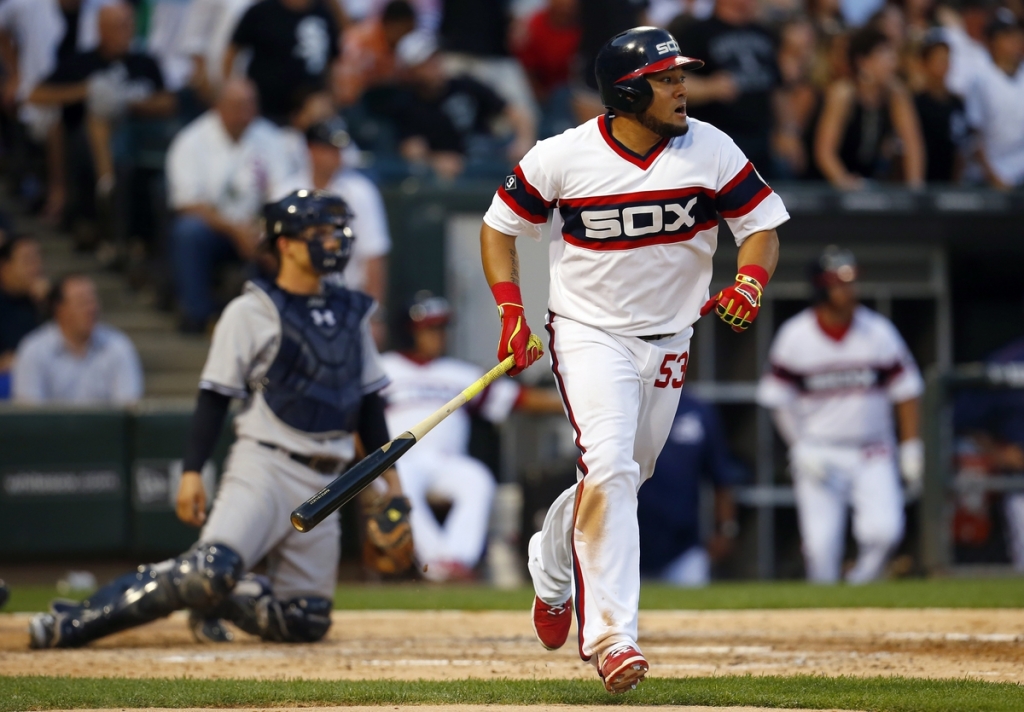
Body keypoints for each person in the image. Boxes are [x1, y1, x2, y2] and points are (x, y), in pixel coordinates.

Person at [479, 27, 786, 693]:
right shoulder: (563, 155)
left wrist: (751, 280)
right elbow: (499, 225)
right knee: (611, 465)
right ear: (625, 91)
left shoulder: (710, 146)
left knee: (620, 478)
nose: (681, 88)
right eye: (666, 77)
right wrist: (511, 312)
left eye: (680, 76)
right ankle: (613, 636)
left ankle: (550, 559)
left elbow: (759, 225)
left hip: (671, 336)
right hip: (588, 333)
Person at [28, 189, 412, 649]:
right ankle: (77, 621)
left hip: (327, 483)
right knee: (210, 568)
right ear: (285, 244)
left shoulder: (353, 311)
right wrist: (192, 471)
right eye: (319, 232)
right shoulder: (252, 310)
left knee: (306, 621)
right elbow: (214, 396)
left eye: (336, 231)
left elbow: (368, 403)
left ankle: (214, 600)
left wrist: (392, 485)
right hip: (266, 465)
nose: (333, 242)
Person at [757, 247, 924, 584]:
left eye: (851, 283)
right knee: (820, 548)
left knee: (885, 532)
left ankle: (860, 586)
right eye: (839, 284)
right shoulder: (796, 335)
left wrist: (910, 447)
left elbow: (906, 390)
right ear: (821, 288)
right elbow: (776, 398)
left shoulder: (878, 331)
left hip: (872, 449)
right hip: (820, 450)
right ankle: (826, 620)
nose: (849, 291)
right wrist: (799, 445)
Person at [379, 291, 562, 581]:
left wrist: (575, 403)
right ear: (408, 331)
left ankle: (456, 563)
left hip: (447, 463)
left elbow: (518, 399)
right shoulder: (384, 367)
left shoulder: (459, 372)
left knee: (478, 479)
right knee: (402, 484)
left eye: (441, 328)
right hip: (399, 462)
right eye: (429, 328)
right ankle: (438, 566)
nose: (437, 335)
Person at [166, 78, 291, 333]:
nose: (245, 112)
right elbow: (187, 203)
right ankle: (197, 315)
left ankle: (280, 317)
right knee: (188, 231)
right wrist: (235, 230)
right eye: (237, 105)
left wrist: (263, 230)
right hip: (214, 228)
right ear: (218, 106)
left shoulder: (271, 138)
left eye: (250, 104)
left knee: (289, 233)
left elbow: (283, 193)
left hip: (259, 227)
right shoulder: (191, 140)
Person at [384, 30, 535, 180]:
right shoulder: (407, 105)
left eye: (435, 57)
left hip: (489, 155)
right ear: (410, 71)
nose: (434, 64)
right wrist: (434, 160)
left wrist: (523, 140)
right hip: (455, 174)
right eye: (425, 63)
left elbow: (515, 112)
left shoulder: (464, 85)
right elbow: (411, 150)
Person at [276, 118, 391, 304]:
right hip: (295, 298)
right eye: (329, 149)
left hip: (347, 297)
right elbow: (272, 254)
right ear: (311, 150)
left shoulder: (361, 191)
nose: (336, 155)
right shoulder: (286, 192)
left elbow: (374, 256)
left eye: (339, 149)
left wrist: (374, 313)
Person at [637, 392, 746, 586]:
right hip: (625, 546)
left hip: (684, 548)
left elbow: (721, 478)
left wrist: (726, 530)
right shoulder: (622, 406)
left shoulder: (696, 410)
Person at [670, 0, 783, 176]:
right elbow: (671, 83)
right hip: (713, 140)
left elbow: (777, 89)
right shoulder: (695, 32)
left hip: (762, 139)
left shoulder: (764, 33)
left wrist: (787, 130)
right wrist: (709, 87)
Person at [813, 26, 925, 189]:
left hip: (869, 183)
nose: (892, 60)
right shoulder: (843, 94)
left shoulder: (895, 95)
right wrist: (844, 182)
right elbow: (824, 152)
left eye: (892, 53)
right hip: (828, 185)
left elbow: (914, 146)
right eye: (883, 54)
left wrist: (915, 190)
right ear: (863, 62)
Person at [12, 273, 143, 405]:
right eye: (82, 302)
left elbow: (128, 409)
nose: (91, 309)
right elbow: (29, 413)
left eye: (93, 301)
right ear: (59, 309)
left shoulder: (118, 346)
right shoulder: (34, 350)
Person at [224, 0, 341, 125]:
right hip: (263, 114)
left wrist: (329, 98)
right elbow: (231, 54)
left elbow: (334, 61)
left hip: (311, 113)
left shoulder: (323, 13)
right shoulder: (261, 11)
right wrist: (236, 93)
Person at [964, 9, 1024, 189]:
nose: (1015, 43)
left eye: (1016, 36)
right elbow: (974, 138)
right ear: (991, 43)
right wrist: (993, 177)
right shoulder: (981, 80)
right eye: (1006, 37)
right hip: (989, 176)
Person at [913, 31, 971, 183]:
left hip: (949, 182)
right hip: (920, 182)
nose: (943, 65)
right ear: (924, 64)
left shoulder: (957, 103)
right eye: (938, 60)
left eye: (946, 59)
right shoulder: (915, 103)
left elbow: (960, 148)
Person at [335, 0, 417, 107]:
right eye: (403, 30)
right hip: (356, 102)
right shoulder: (361, 41)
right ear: (389, 25)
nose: (405, 36)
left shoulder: (404, 44)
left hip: (386, 96)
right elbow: (347, 87)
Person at [0, 234, 48, 399]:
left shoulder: (45, 302)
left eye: (37, 259)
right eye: (27, 260)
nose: (35, 267)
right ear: (4, 267)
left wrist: (48, 305)